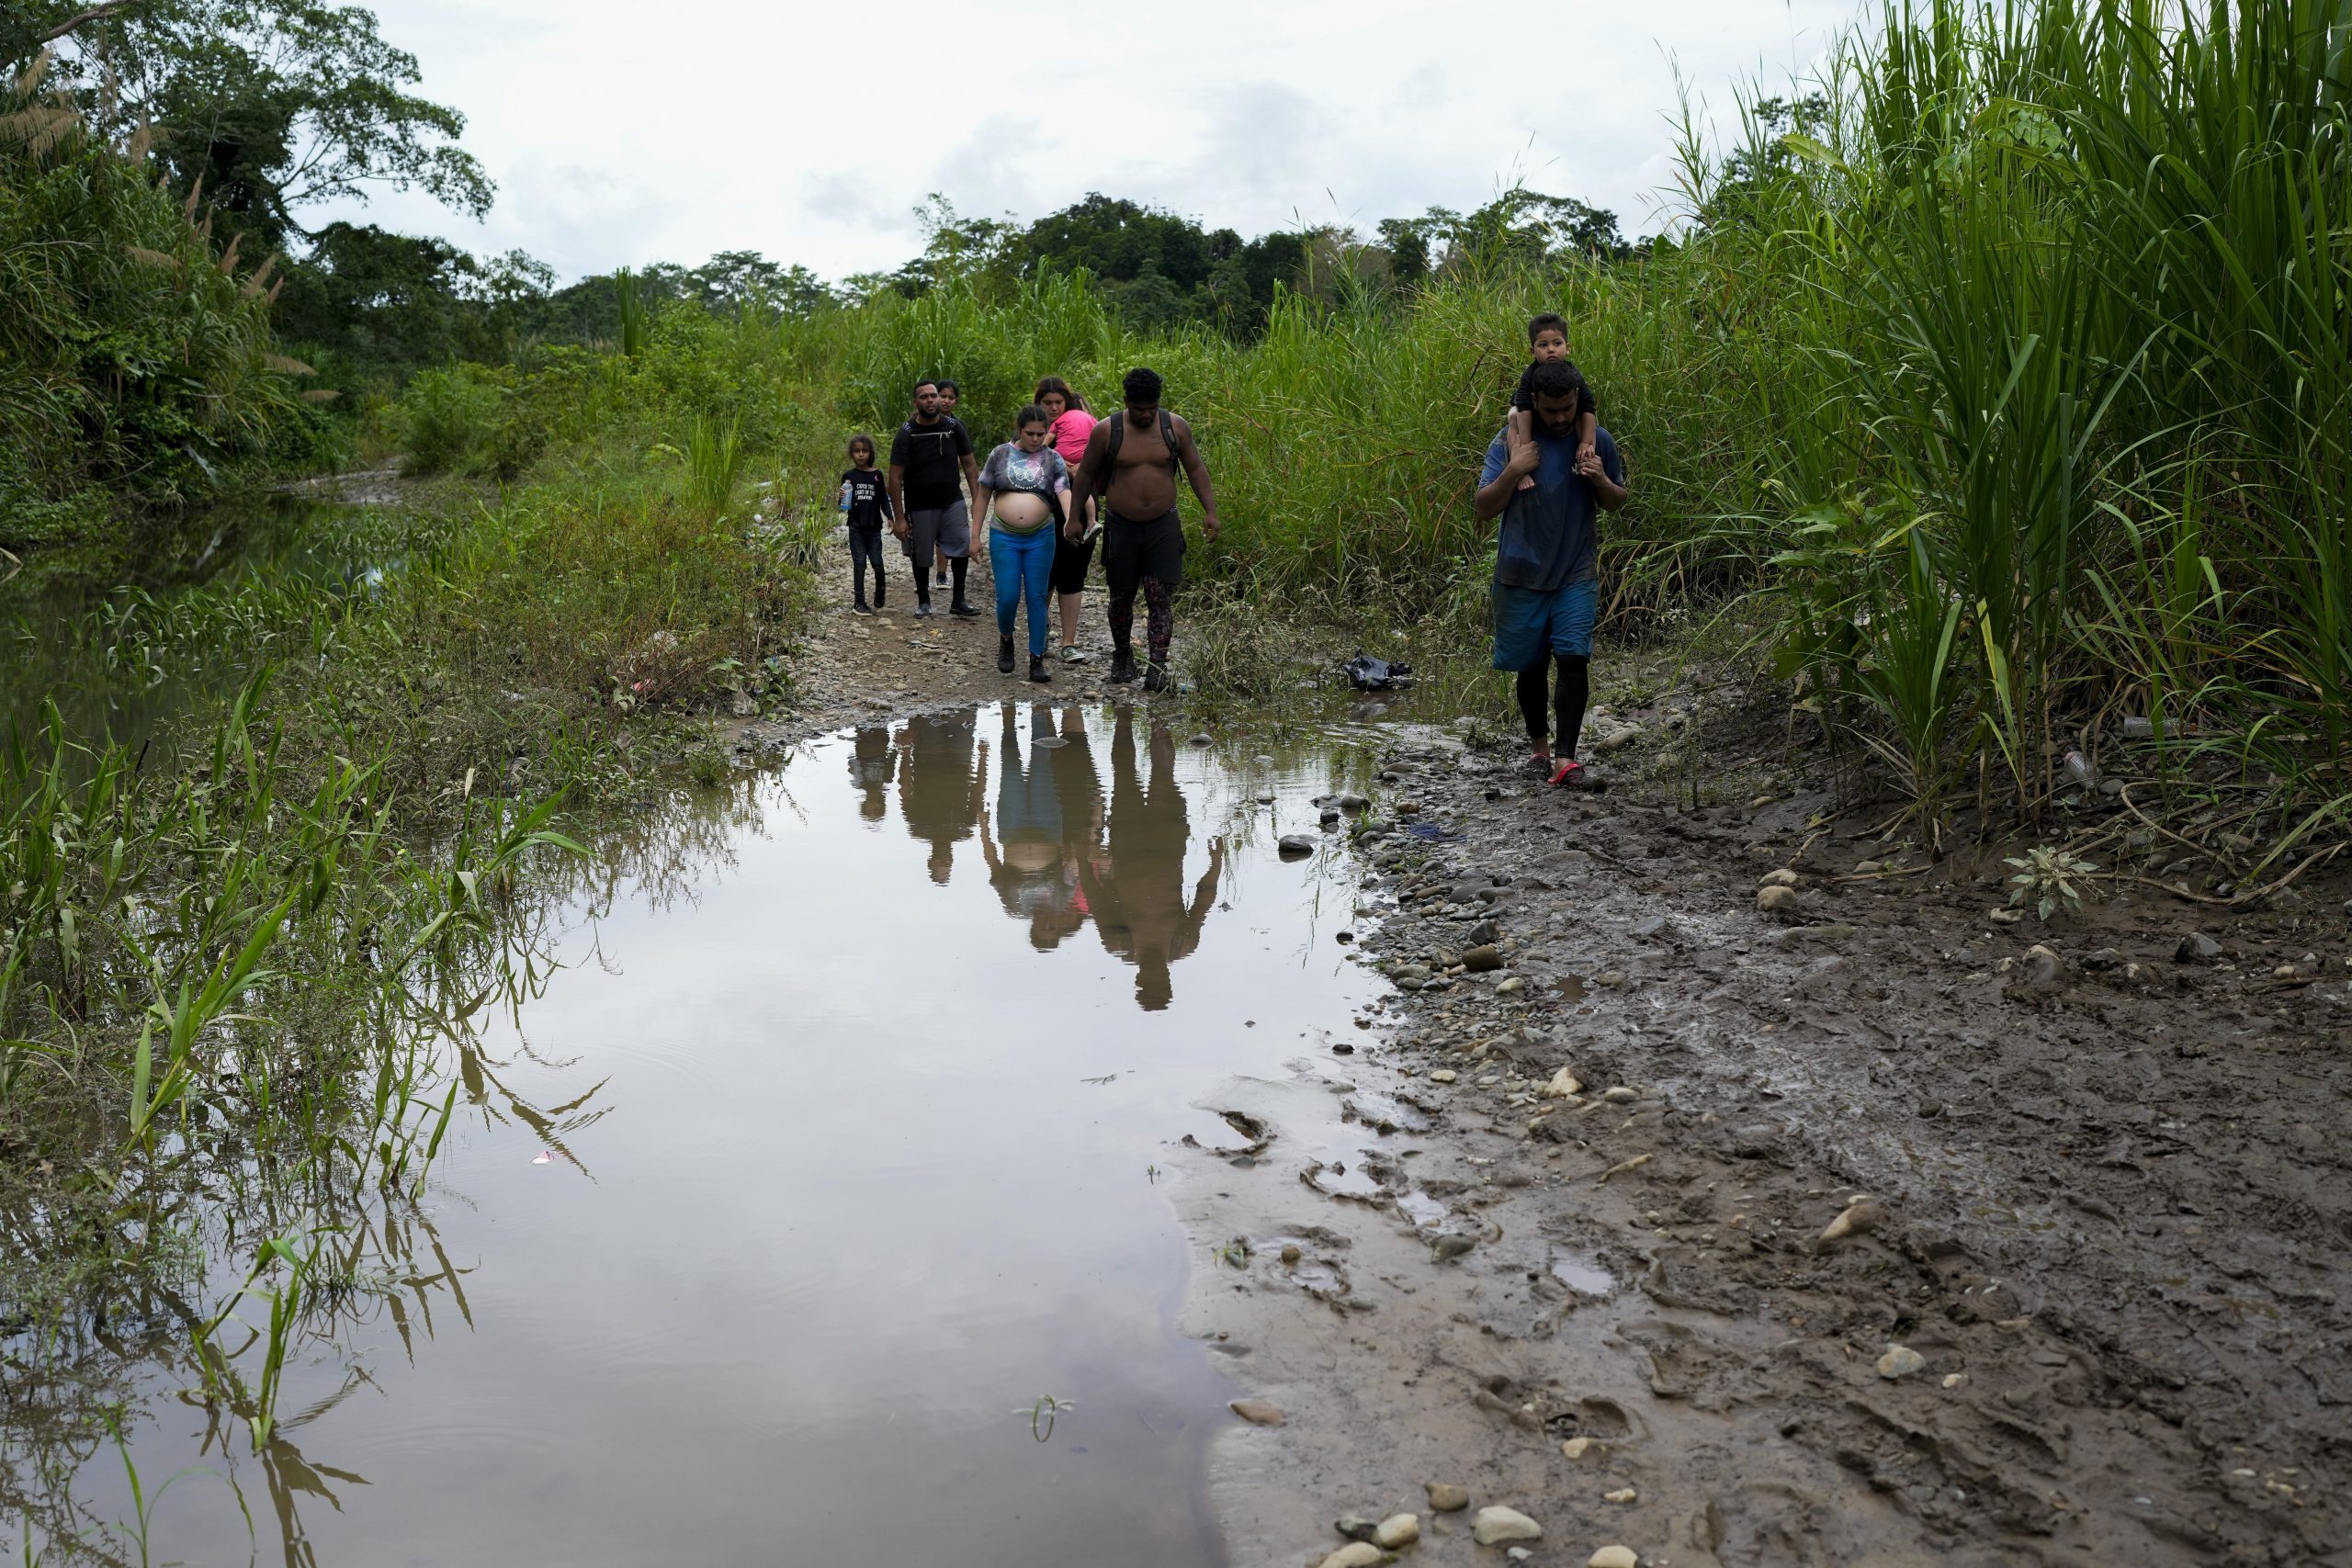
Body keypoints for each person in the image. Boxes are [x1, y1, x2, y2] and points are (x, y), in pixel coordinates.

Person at [1475, 358, 1629, 790]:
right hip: (1521, 574)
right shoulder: (1509, 443)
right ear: (1534, 404)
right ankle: (1539, 750)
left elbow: (1617, 500)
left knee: (1574, 659)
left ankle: (1566, 760)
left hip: (1574, 573)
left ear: (1577, 400)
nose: (1561, 419)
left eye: (1567, 409)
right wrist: (1515, 469)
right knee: (1532, 665)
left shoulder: (1596, 442)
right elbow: (1484, 507)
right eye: (1550, 411)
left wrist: (1600, 479)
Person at [1065, 367, 1219, 691]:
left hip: (1163, 525)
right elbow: (1085, 475)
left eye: (1152, 407)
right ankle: (1122, 656)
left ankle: (1157, 667)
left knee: (1159, 597)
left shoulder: (1174, 427)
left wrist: (1210, 511)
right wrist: (1074, 517)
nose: (1147, 414)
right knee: (1121, 596)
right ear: (1126, 402)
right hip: (1122, 527)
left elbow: (1195, 468)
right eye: (1140, 409)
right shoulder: (1108, 431)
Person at [1080, 709, 1225, 1010]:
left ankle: (1125, 718)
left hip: (1128, 843)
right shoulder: (1182, 943)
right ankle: (1158, 718)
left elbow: (1095, 897)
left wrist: (1083, 856)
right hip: (1168, 844)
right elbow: (1204, 899)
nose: (1154, 975)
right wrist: (1216, 864)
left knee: (1123, 775)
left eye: (1150, 983)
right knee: (1163, 777)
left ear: (1138, 981)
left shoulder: (1119, 943)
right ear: (1168, 980)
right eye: (1159, 982)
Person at [974, 405, 1070, 682]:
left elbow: (1063, 489)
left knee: (1037, 597)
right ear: (1019, 430)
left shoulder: (1053, 458)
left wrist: (1070, 520)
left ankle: (1036, 659)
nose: (1036, 439)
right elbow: (982, 496)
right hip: (1004, 535)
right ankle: (1006, 638)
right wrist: (974, 536)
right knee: (1007, 597)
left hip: (1041, 535)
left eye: (1041, 434)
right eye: (1030, 433)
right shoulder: (1000, 454)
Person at [887, 379, 983, 618]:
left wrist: (977, 501)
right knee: (921, 554)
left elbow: (970, 466)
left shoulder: (954, 427)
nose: (931, 400)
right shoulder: (906, 434)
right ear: (916, 402)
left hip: (952, 500)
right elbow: (895, 478)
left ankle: (958, 600)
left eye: (933, 396)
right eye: (925, 397)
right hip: (919, 505)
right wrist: (899, 518)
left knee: (961, 546)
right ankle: (924, 601)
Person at [1036, 377, 1098, 663]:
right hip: (1043, 514)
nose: (1052, 408)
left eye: (1057, 402)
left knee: (1073, 575)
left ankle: (1068, 642)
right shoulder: (1034, 434)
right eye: (1047, 403)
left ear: (1067, 402)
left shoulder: (1082, 428)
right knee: (1045, 574)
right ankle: (1040, 633)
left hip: (1080, 510)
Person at [1505, 313, 1598, 490]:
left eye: (1557, 343)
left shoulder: (1574, 376)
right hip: (1529, 412)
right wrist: (1526, 448)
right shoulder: (1529, 376)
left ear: (1567, 347)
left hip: (1569, 425)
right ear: (1532, 351)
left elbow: (1588, 406)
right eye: (1543, 345)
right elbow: (1524, 408)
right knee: (1513, 416)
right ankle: (1519, 467)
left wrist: (1587, 442)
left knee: (1579, 416)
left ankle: (1585, 460)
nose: (1551, 349)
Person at [838, 434, 893, 615]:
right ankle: (859, 602)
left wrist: (890, 516)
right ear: (852, 454)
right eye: (857, 451)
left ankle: (880, 590)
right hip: (856, 527)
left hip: (874, 528)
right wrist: (840, 498)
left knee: (877, 562)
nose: (861, 454)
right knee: (859, 563)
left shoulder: (877, 475)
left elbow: (883, 499)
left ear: (870, 453)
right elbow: (844, 505)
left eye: (864, 451)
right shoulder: (848, 477)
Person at [932, 379, 966, 587]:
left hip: (949, 485)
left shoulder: (957, 425)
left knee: (948, 532)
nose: (946, 400)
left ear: (956, 401)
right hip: (924, 486)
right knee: (927, 534)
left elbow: (966, 454)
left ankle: (942, 574)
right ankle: (925, 574)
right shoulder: (920, 422)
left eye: (950, 397)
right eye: (942, 396)